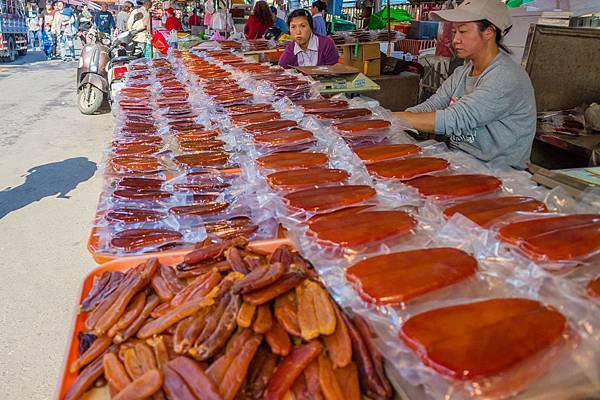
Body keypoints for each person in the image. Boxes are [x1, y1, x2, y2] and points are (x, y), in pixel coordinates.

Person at [393, 0, 536, 169]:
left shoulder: (506, 77)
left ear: (489, 32)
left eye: (463, 32)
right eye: (454, 32)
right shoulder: (463, 72)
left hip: (499, 175)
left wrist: (391, 119)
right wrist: (396, 122)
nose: (455, 40)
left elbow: (454, 119)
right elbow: (434, 104)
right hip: (460, 164)